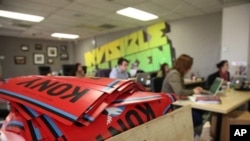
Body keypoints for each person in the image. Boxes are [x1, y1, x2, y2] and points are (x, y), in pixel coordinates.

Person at [161, 54, 204, 127]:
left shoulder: (177, 74)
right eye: (189, 66)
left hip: (176, 102)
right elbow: (180, 92)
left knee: (200, 111)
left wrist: (193, 90)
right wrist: (193, 91)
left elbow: (180, 91)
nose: (190, 68)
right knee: (197, 117)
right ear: (184, 66)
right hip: (171, 107)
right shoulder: (174, 74)